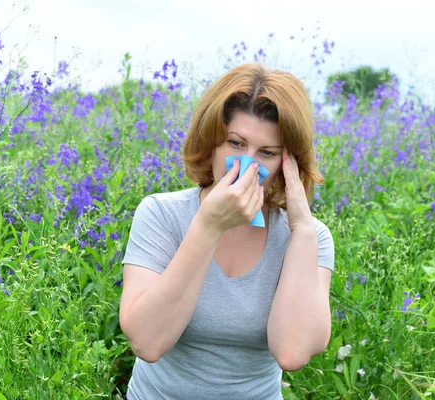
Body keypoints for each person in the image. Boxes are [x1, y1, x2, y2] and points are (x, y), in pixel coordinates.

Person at [119, 62, 335, 400]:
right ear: (212, 143)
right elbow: (147, 342)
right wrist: (208, 225)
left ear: (286, 163)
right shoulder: (161, 214)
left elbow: (292, 353)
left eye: (266, 152)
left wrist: (302, 231)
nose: (246, 165)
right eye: (236, 143)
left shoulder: (310, 237)